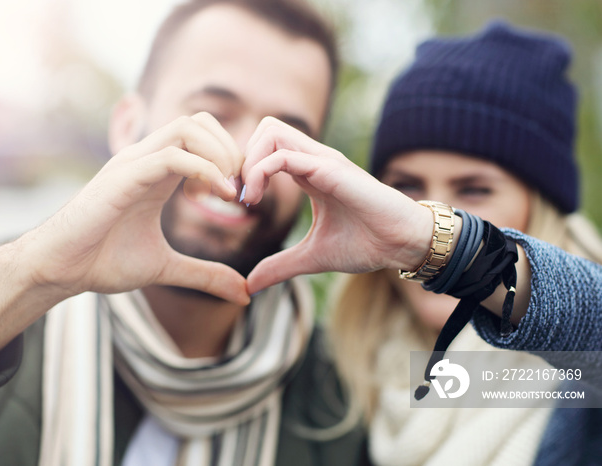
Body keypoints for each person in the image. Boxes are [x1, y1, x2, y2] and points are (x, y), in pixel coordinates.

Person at [0, 1, 369, 465]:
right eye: (214, 113)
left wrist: (433, 247)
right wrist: (31, 279)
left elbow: (440, 408)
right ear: (128, 127)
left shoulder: (348, 383)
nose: (249, 160)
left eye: (287, 135)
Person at [239, 22, 602, 465]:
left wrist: (452, 249)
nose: (430, 213)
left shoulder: (583, 386)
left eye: (474, 190)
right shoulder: (336, 373)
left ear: (540, 209)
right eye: (406, 189)